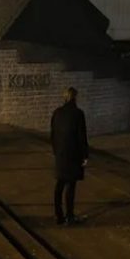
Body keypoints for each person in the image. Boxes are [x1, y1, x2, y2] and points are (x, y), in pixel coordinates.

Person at [50, 87, 89, 225]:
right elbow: (81, 137)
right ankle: (69, 216)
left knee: (59, 184)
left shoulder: (57, 112)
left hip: (61, 153)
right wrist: (85, 156)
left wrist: (56, 151)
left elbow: (53, 134)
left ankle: (58, 215)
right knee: (71, 185)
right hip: (73, 154)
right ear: (74, 98)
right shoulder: (78, 114)